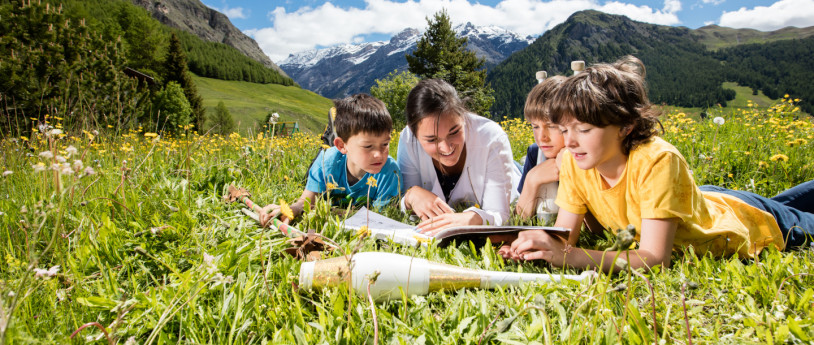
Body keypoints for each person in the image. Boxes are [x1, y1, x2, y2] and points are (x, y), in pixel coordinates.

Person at [501, 55, 814, 272]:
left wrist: (567, 256)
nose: (568, 142)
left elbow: (653, 258)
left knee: (797, 217)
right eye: (565, 129)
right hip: (704, 202)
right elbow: (564, 238)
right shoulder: (574, 161)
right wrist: (534, 247)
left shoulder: (657, 160)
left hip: (755, 223)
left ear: (625, 126)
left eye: (583, 130)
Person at [397, 79, 520, 235]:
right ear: (415, 135)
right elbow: (401, 203)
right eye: (432, 139)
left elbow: (500, 214)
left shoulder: (491, 138)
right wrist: (411, 195)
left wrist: (469, 219)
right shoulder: (408, 140)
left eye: (454, 132)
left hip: (508, 173)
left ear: (463, 118)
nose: (446, 147)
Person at [260, 94, 403, 225]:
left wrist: (326, 211)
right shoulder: (326, 160)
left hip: (339, 159)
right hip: (332, 158)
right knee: (322, 157)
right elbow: (306, 201)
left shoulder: (390, 172)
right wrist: (293, 208)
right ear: (342, 145)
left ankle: (333, 132)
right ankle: (331, 134)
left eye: (385, 144)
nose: (378, 154)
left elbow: (377, 218)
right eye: (368, 146)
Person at [515, 76, 567, 221]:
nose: (542, 137)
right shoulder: (535, 151)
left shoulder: (583, 157)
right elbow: (520, 219)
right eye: (535, 127)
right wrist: (532, 179)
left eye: (551, 126)